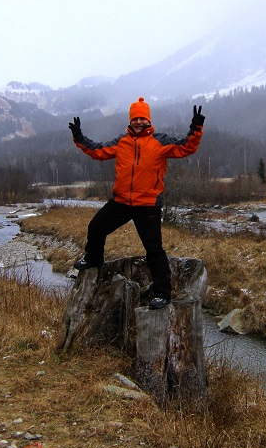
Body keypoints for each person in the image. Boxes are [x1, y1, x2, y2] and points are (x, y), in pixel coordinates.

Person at [68, 97, 205, 309]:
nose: (139, 122)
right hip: (121, 201)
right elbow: (97, 151)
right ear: (130, 121)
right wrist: (79, 137)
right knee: (96, 227)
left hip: (148, 204)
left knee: (154, 249)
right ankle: (94, 259)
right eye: (135, 119)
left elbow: (186, 147)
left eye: (142, 118)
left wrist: (195, 129)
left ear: (148, 120)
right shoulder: (121, 141)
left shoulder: (160, 141)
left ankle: (163, 293)